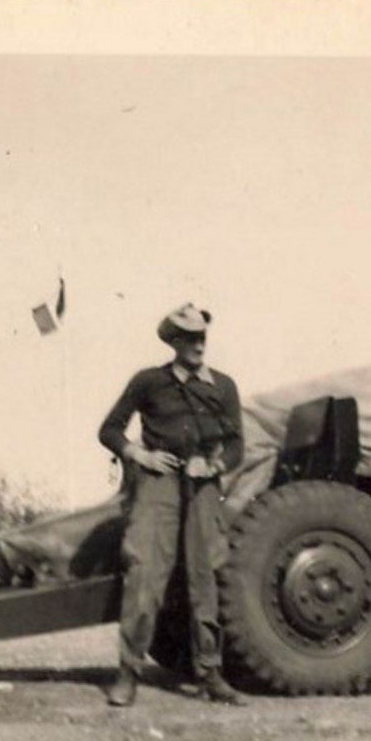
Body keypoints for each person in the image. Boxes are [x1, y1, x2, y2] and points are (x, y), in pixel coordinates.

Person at [98, 303, 246, 707]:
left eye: (203, 337)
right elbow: (109, 429)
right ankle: (128, 673)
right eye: (191, 338)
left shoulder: (224, 386)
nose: (199, 345)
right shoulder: (149, 382)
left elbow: (236, 445)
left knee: (205, 577)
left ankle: (210, 674)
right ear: (174, 341)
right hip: (158, 484)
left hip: (202, 487)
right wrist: (138, 455)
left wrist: (213, 464)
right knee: (145, 574)